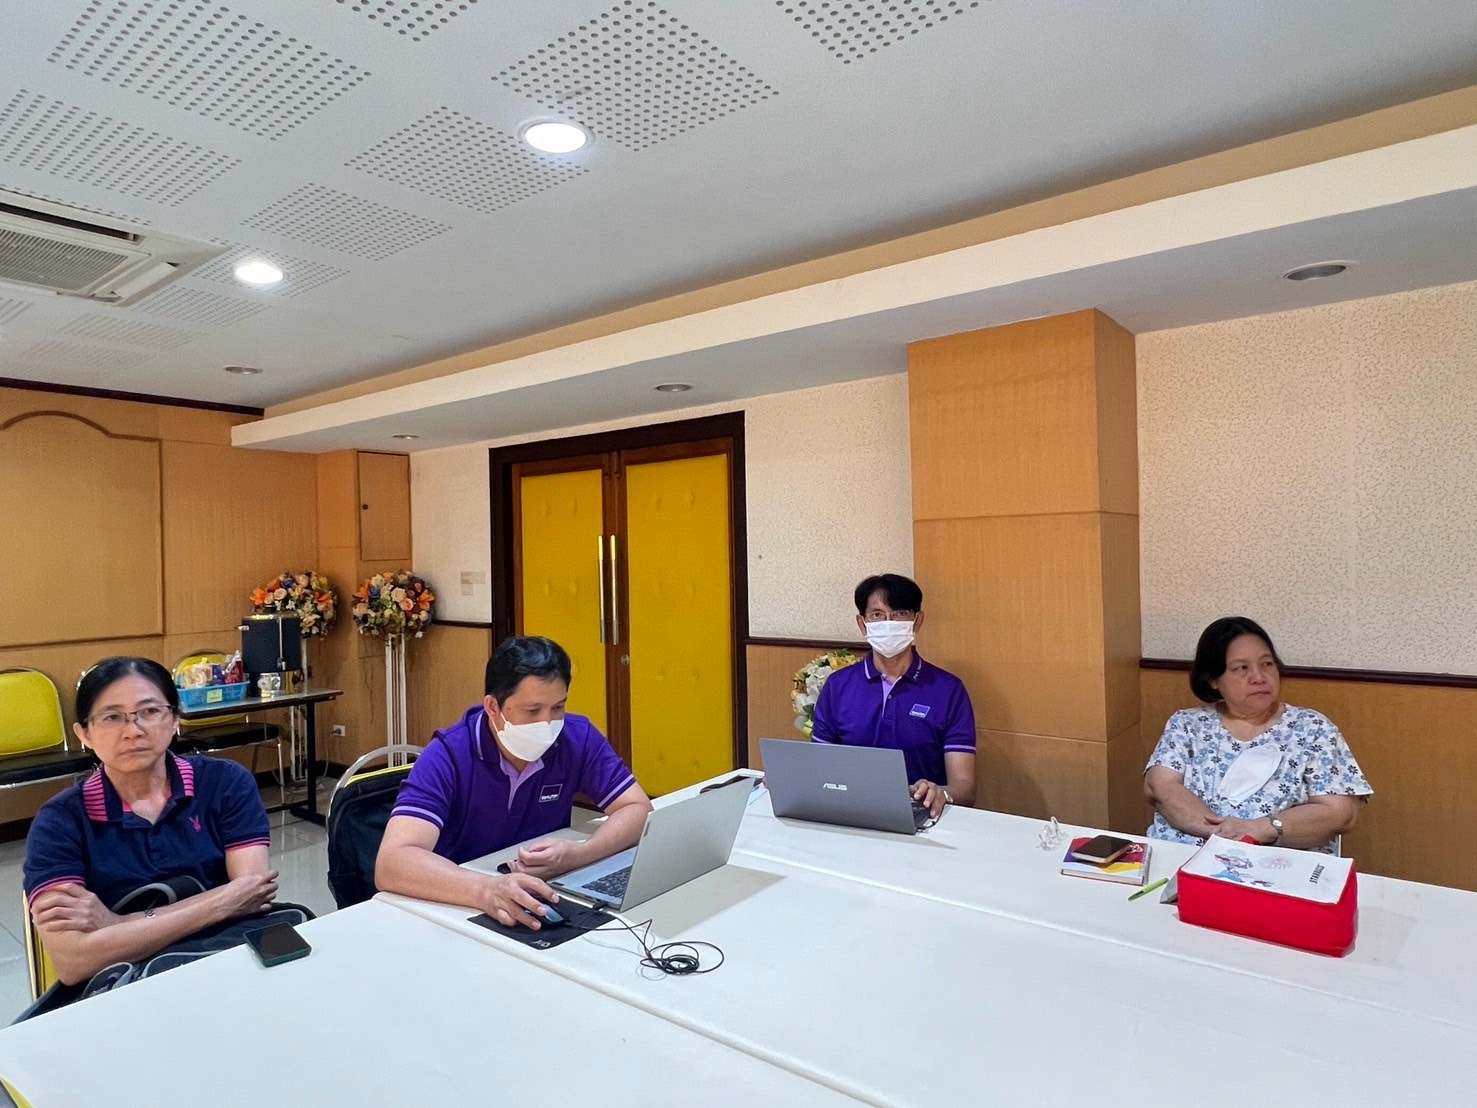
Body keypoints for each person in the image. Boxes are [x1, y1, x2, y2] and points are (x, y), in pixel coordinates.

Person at [23, 657, 280, 987]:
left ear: (174, 719)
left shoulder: (226, 782)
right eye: (112, 717)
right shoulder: (59, 821)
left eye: (149, 711)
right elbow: (74, 961)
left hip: (230, 964)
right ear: (84, 733)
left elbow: (253, 897)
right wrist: (223, 902)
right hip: (128, 986)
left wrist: (118, 923)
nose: (133, 731)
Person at [376, 635, 653, 929]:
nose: (547, 724)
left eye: (558, 707)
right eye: (532, 711)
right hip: (456, 907)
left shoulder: (577, 737)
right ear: (492, 707)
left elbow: (638, 808)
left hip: (538, 896)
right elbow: (392, 862)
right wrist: (486, 890)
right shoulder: (449, 754)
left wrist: (580, 853)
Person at [1144, 617, 1372, 852]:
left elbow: (1340, 812)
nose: (1259, 677)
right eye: (1241, 668)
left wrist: (1259, 829)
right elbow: (1160, 787)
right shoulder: (1186, 724)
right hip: (1184, 857)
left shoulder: (1313, 728)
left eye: (1267, 664)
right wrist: (1222, 834)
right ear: (1213, 679)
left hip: (1277, 862)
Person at [810, 574, 977, 818]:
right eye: (877, 615)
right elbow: (819, 767)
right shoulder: (838, 686)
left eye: (900, 613)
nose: (888, 623)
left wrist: (941, 793)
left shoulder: (949, 689)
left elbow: (965, 787)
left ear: (917, 620)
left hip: (923, 816)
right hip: (850, 814)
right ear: (862, 623)